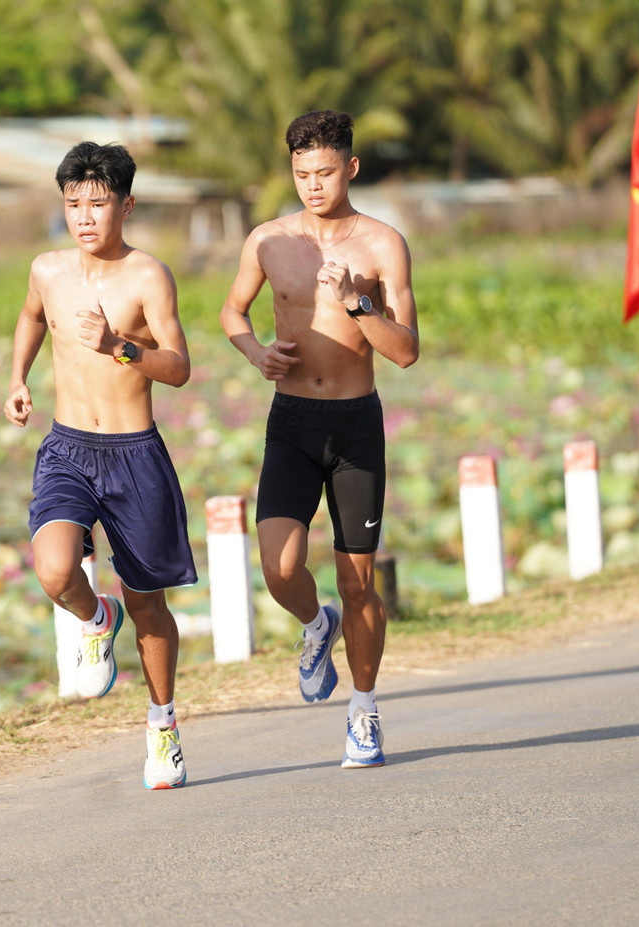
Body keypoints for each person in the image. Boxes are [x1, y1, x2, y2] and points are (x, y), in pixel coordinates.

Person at [220, 110, 419, 769]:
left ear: (351, 168)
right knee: (278, 568)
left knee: (359, 582)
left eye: (325, 171)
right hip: (292, 421)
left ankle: (363, 713)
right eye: (302, 173)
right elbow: (231, 312)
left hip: (356, 426)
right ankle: (315, 624)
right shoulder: (269, 240)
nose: (312, 184)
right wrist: (255, 353)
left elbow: (408, 352)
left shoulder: (383, 244)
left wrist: (361, 305)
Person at [4, 141, 197, 789]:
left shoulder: (148, 277)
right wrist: (17, 378)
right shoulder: (46, 269)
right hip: (67, 448)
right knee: (55, 567)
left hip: (133, 453)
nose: (84, 216)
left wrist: (120, 346)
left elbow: (178, 366)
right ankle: (93, 617)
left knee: (149, 606)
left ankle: (163, 724)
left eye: (98, 203)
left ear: (126, 204)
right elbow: (32, 317)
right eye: (73, 204)